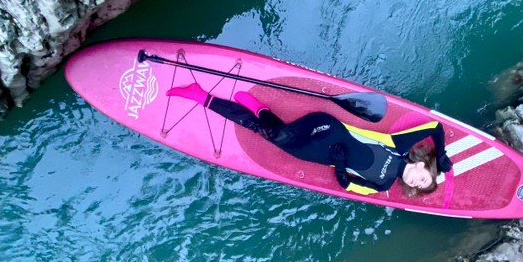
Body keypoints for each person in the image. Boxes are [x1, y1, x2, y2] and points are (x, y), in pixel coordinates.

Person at [166, 83, 453, 197]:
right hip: (328, 129)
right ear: (424, 166)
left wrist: (340, 166)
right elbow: (436, 127)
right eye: (426, 178)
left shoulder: (382, 185)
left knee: (268, 133)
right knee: (276, 134)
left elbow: (348, 185)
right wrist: (441, 154)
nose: (418, 182)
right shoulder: (399, 148)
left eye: (420, 187)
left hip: (318, 154)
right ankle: (212, 99)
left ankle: (212, 99)